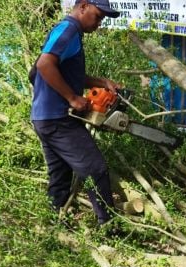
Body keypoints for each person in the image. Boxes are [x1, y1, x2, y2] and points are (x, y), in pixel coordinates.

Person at [31, 0, 120, 225]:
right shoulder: (69, 30)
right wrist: (71, 98)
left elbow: (41, 72)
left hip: (45, 117)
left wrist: (100, 82)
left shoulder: (64, 30)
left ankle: (53, 226)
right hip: (58, 119)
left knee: (60, 175)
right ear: (83, 6)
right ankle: (108, 226)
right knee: (95, 170)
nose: (99, 23)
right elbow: (43, 65)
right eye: (98, 16)